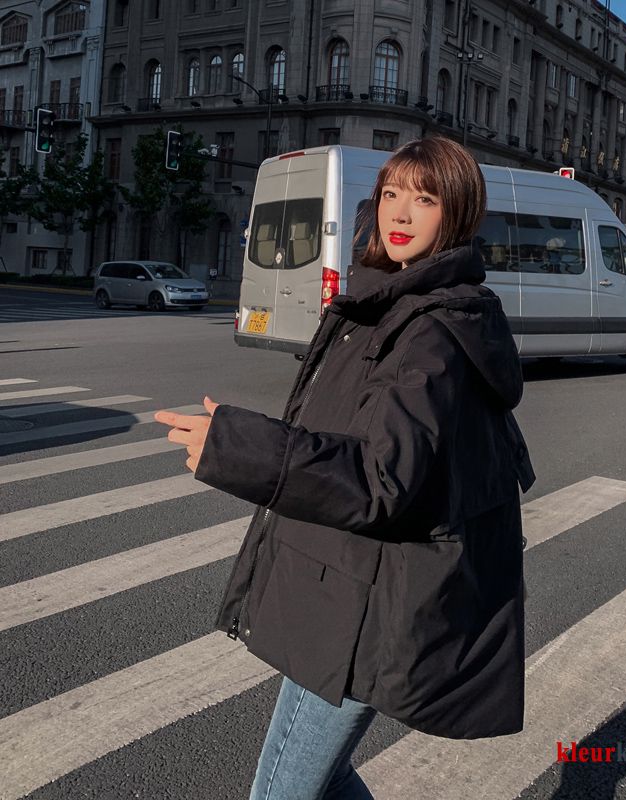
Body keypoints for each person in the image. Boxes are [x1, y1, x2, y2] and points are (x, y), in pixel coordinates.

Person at [154, 136, 534, 800]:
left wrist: (236, 448)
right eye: (392, 193)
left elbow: (380, 477)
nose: (402, 213)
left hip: (367, 602)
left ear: (458, 214)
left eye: (425, 199)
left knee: (280, 792)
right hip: (345, 579)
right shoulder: (385, 301)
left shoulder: (429, 333)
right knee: (320, 782)